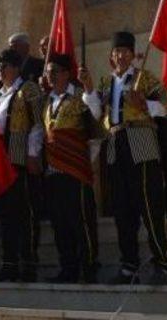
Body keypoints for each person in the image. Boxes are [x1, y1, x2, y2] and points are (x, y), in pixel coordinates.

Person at [90, 30, 167, 285]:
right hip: (115, 144)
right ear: (112, 57)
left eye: (125, 51)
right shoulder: (106, 83)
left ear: (132, 55)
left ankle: (161, 264)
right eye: (116, 52)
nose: (120, 56)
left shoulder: (144, 78)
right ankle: (129, 265)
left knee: (149, 206)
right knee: (122, 210)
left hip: (140, 143)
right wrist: (88, 90)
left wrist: (145, 104)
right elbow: (96, 113)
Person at [42, 54, 100, 283]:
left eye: (55, 71)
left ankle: (89, 266)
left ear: (67, 73)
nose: (51, 75)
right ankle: (68, 267)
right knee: (60, 223)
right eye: (48, 72)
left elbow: (95, 116)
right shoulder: (47, 102)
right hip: (54, 171)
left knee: (81, 221)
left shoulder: (78, 98)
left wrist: (88, 86)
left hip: (75, 170)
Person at [0, 49, 43, 282]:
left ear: (17, 68)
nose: (1, 70)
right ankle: (9, 263)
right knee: (7, 214)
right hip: (1, 162)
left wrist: (33, 154)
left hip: (20, 159)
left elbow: (38, 124)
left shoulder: (28, 89)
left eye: (6, 66)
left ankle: (28, 263)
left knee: (25, 212)